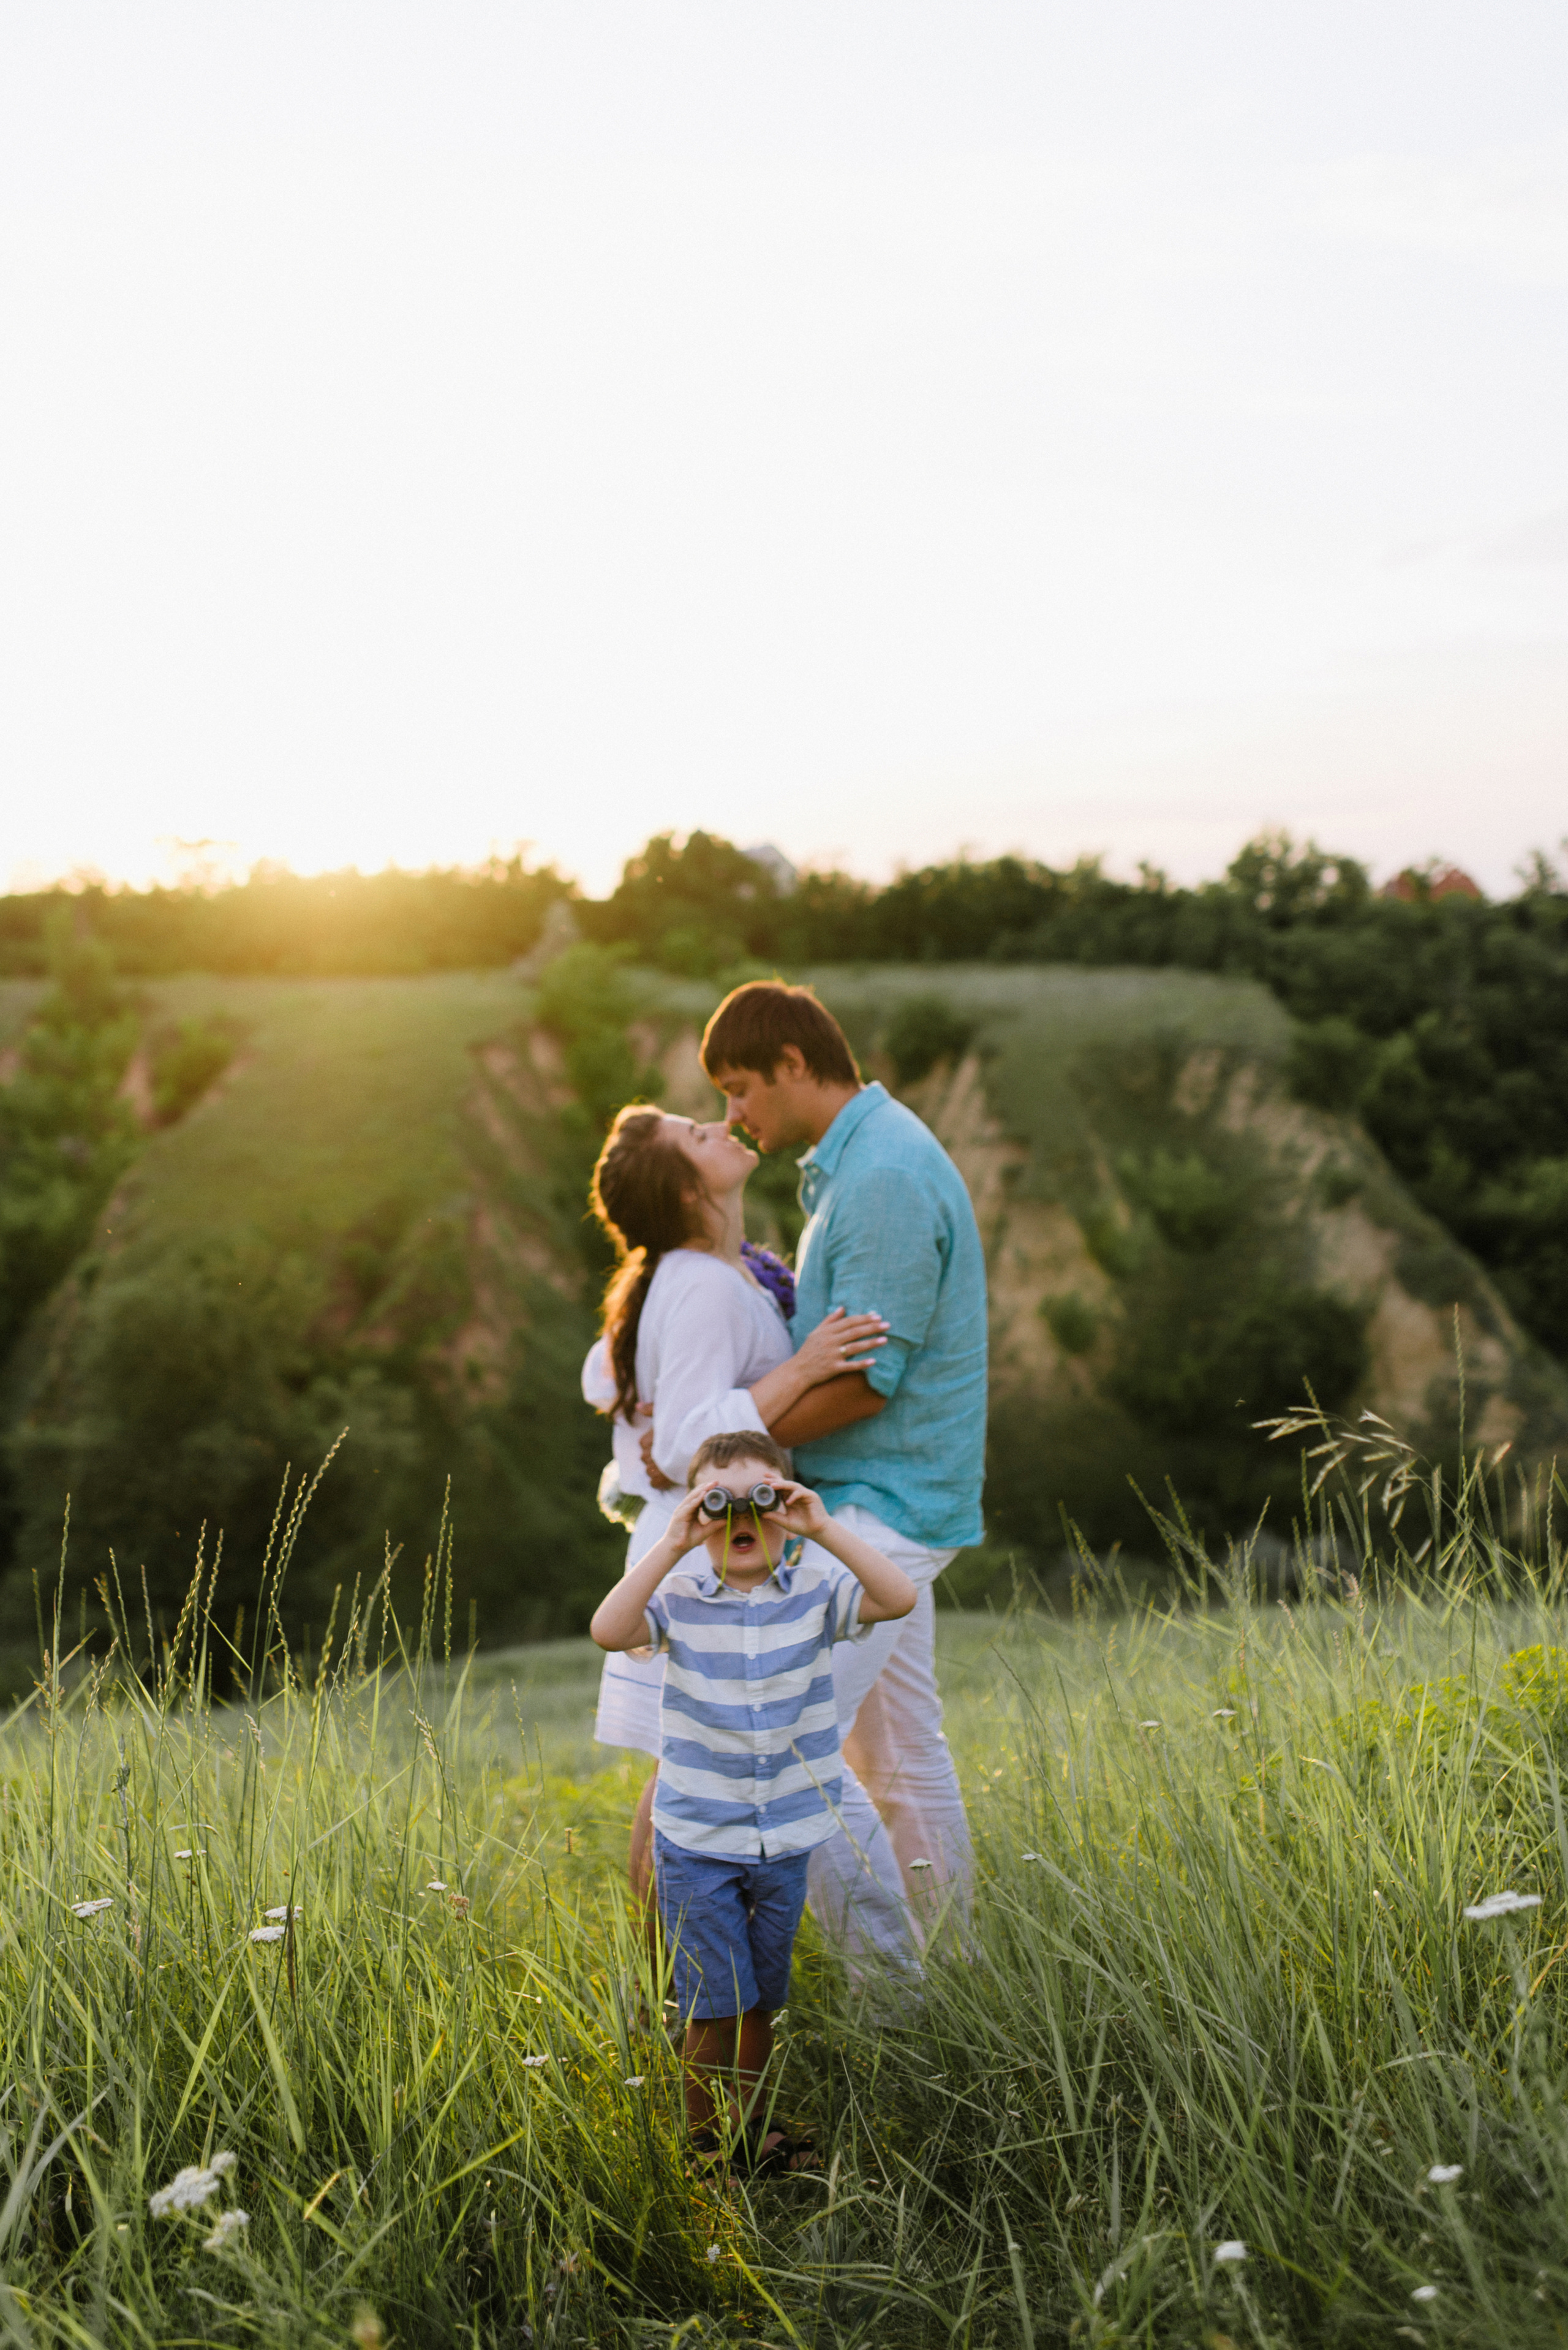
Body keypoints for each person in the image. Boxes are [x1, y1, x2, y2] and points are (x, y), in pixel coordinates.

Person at [688, 980, 988, 1974]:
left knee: (778, 1752)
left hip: (881, 1507)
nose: (737, 1114)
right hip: (874, 1502)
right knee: (900, 1758)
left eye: (741, 1087)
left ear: (791, 1064)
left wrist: (730, 1443)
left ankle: (896, 1998)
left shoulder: (885, 1178)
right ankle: (957, 1980)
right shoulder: (856, 1164)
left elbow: (865, 1383)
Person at [582, 1104, 888, 1908]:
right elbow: (686, 1446)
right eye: (695, 1134)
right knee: (684, 1791)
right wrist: (806, 1367)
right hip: (694, 1557)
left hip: (710, 1551)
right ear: (686, 1191)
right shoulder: (705, 1287)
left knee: (691, 1781)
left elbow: (658, 1407)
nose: (720, 1126)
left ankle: (677, 1992)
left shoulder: (720, 1277)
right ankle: (673, 1997)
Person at [589, 1430, 916, 2172]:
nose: (744, 1515)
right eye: (718, 1500)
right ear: (698, 1513)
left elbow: (896, 1597)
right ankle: (709, 2143)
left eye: (762, 1497)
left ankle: (750, 2123)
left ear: (786, 1504)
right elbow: (609, 1629)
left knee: (760, 1997)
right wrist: (673, 1540)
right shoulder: (678, 1599)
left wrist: (821, 1525)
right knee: (712, 2002)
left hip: (784, 1836)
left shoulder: (815, 1594)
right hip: (700, 1840)